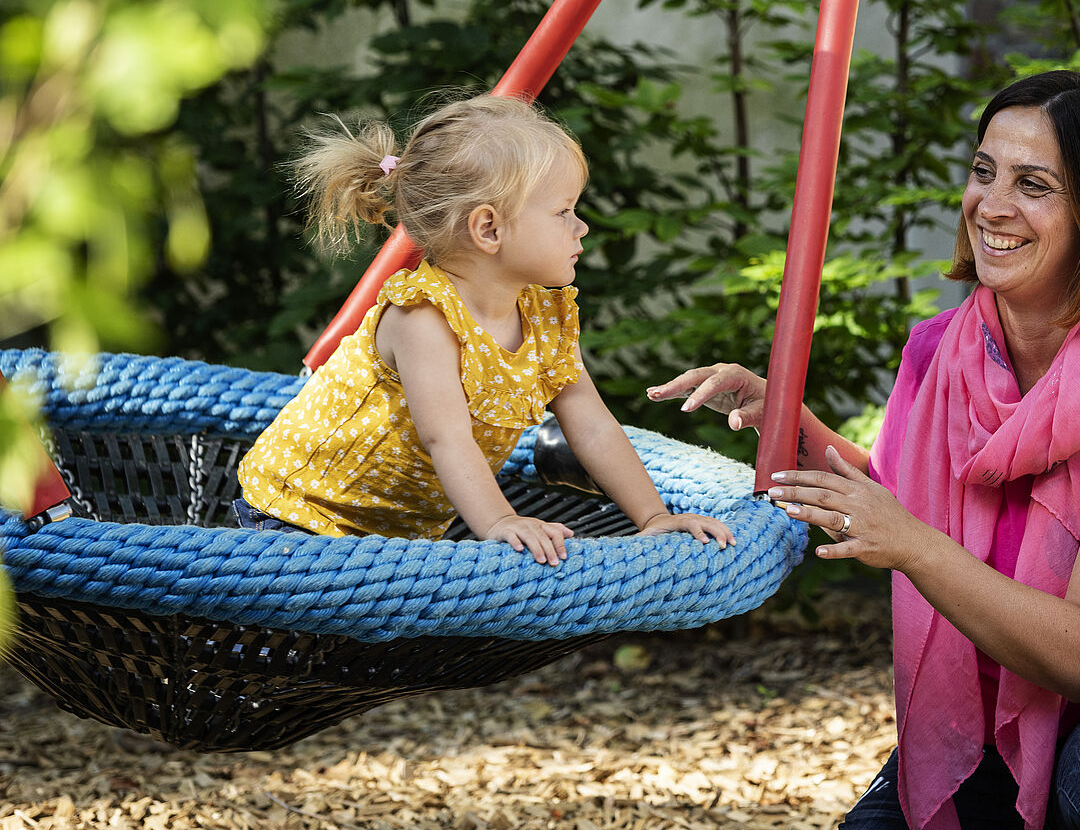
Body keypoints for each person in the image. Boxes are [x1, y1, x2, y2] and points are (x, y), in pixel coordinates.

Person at [651, 71, 1080, 830]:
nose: (991, 206)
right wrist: (789, 423)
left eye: (1034, 184)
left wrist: (915, 549)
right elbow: (902, 505)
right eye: (983, 171)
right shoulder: (943, 353)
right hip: (1007, 717)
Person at [237, 94, 732, 560]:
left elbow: (592, 422)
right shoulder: (424, 318)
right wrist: (499, 521)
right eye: (563, 212)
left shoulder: (544, 316)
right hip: (300, 516)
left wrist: (652, 516)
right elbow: (447, 439)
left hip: (397, 537)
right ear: (489, 229)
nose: (581, 227)